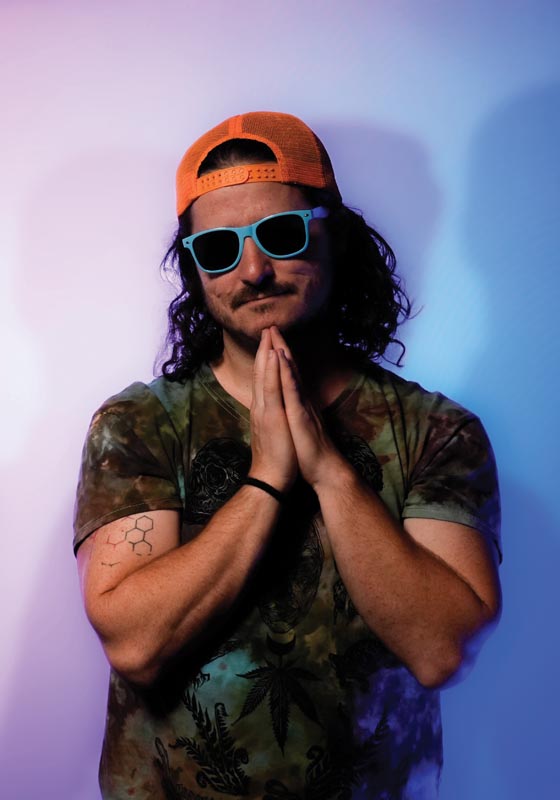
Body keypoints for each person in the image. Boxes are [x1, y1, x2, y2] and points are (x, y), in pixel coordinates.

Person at [74, 111, 502, 800]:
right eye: (217, 249)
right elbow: (136, 644)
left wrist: (328, 471)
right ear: (194, 269)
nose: (253, 270)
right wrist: (267, 480)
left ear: (336, 237)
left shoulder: (436, 430)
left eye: (280, 234)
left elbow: (441, 648)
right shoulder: (139, 425)